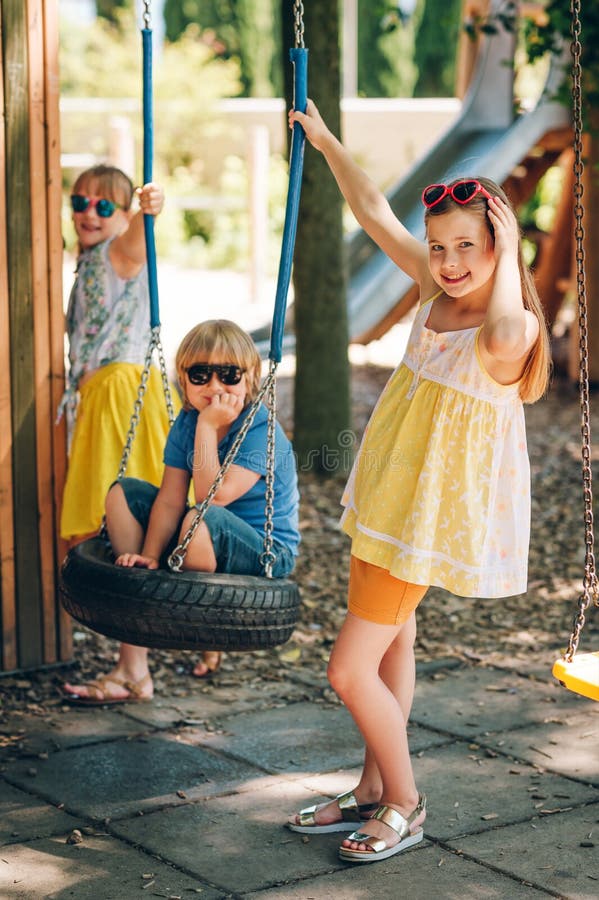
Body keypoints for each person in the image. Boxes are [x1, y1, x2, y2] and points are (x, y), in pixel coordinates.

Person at [286, 100, 551, 864]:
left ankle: (403, 799)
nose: (447, 262)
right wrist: (329, 142)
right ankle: (371, 787)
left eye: (466, 246)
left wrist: (499, 251)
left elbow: (503, 331)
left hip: (425, 517)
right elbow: (374, 214)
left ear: (497, 243)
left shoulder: (513, 328)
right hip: (385, 499)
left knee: (346, 668)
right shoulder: (435, 295)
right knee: (391, 645)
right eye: (438, 247)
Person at [62, 319, 301, 703]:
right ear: (182, 380)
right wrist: (150, 556)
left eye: (229, 375)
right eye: (200, 375)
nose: (215, 387)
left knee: (198, 517)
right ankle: (142, 612)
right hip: (204, 533)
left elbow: (212, 495)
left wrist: (208, 427)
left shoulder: (260, 429)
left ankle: (210, 625)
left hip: (263, 552)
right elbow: (172, 498)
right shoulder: (187, 422)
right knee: (124, 493)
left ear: (252, 378)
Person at [58, 164, 176, 548]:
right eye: (81, 202)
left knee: (113, 506)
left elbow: (137, 245)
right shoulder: (89, 262)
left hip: (120, 395)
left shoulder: (117, 254)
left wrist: (148, 213)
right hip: (103, 398)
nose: (89, 213)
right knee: (109, 508)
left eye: (104, 207)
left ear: (123, 217)